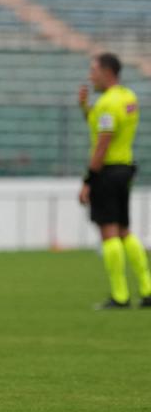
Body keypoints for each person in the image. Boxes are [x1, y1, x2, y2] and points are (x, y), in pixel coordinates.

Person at [78, 52, 151, 309]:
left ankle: (120, 296)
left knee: (108, 233)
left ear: (107, 72)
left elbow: (102, 143)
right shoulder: (128, 98)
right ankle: (147, 288)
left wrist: (89, 179)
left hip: (107, 172)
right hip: (125, 168)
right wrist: (86, 108)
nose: (91, 76)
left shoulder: (107, 104)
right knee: (124, 230)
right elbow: (101, 125)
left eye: (94, 71)